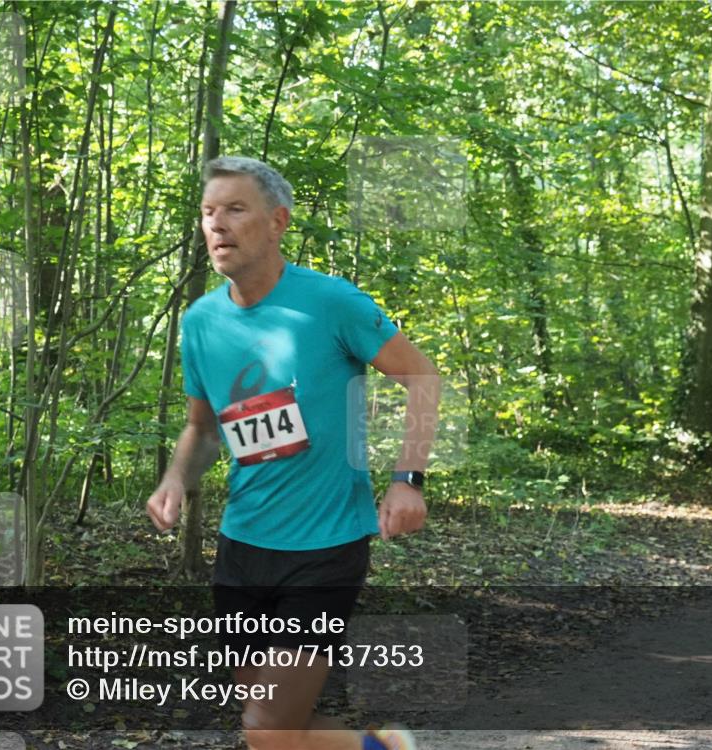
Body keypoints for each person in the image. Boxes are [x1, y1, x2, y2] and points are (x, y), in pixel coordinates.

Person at [146, 156, 440, 750]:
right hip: (243, 544)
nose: (216, 225)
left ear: (277, 222)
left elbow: (422, 376)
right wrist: (176, 477)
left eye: (234, 209)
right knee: (276, 727)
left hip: (326, 546)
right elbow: (202, 427)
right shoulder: (201, 321)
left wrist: (408, 478)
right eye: (207, 212)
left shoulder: (331, 303)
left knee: (265, 728)